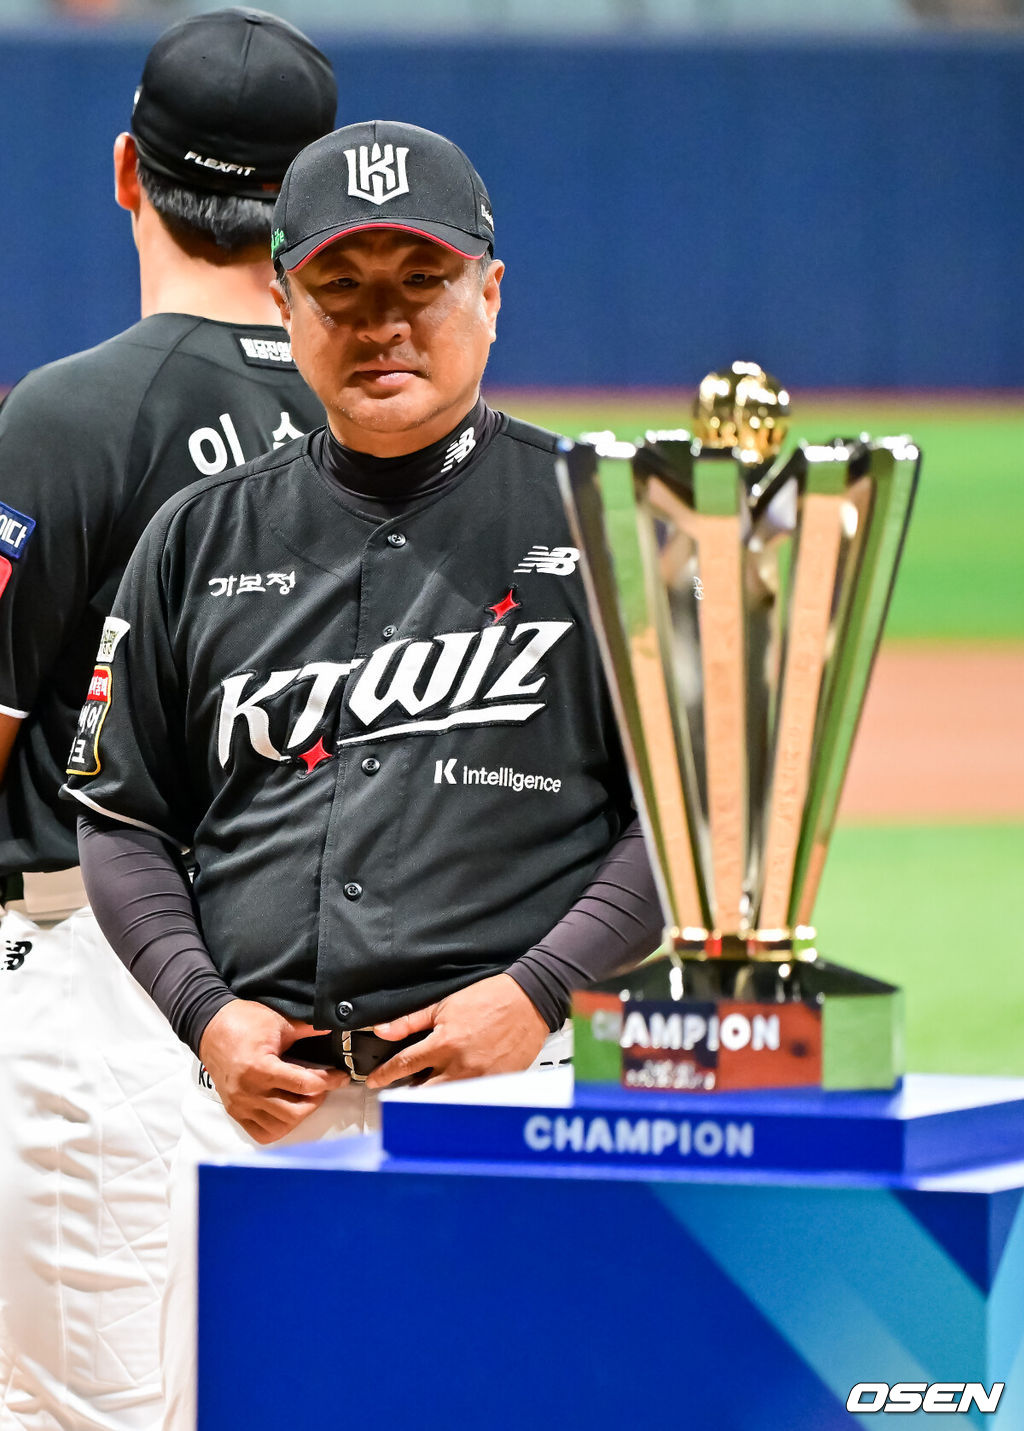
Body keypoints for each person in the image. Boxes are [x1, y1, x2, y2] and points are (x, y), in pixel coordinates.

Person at [64, 119, 663, 1429]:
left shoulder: (604, 521)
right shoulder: (196, 538)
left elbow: (686, 827)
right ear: (284, 306)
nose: (382, 322)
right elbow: (120, 817)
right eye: (340, 286)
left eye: (421, 280)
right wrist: (205, 1014)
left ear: (491, 293)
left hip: (512, 1101)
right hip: (255, 1123)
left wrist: (538, 995)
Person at [0, 11, 336, 1429]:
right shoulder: (398, 425)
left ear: (127, 171)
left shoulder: (71, 417)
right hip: (337, 1007)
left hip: (105, 996)